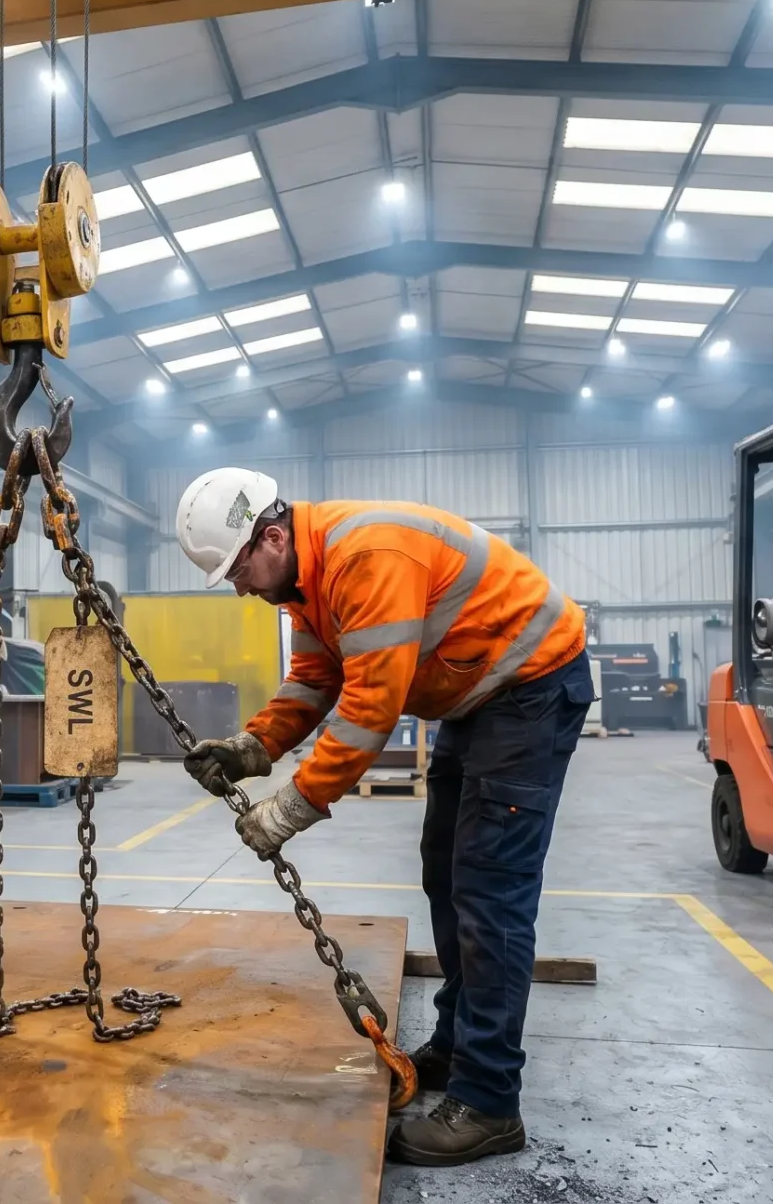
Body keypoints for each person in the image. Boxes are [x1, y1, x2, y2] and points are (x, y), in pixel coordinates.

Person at [171, 468, 591, 1169]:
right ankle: (460, 1048)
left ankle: (490, 1101)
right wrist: (253, 746)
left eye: (239, 570)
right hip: (478, 694)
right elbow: (313, 680)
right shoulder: (304, 583)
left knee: (490, 888)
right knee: (445, 872)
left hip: (529, 686)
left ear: (272, 536)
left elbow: (370, 709)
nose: (241, 587)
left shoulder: (368, 557)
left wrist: (289, 809)